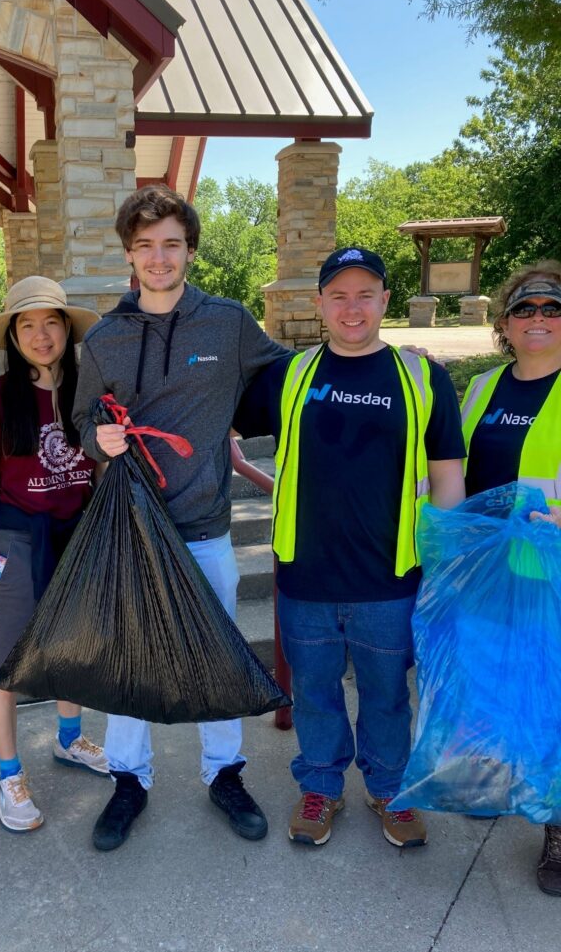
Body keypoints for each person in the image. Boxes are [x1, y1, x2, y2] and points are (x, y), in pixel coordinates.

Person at [72, 184, 291, 851]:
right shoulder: (105, 337)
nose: (158, 258)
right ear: (130, 255)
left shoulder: (226, 322)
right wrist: (97, 440)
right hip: (132, 532)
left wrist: (382, 367)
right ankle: (128, 782)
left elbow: (289, 377)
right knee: (128, 661)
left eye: (171, 244)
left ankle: (225, 774)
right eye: (145, 247)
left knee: (216, 657)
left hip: (204, 530)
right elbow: (83, 421)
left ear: (189, 249)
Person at [234, 246, 466, 849]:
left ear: (386, 301)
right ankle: (321, 785)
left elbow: (446, 474)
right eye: (338, 294)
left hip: (390, 579)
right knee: (313, 691)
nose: (352, 307)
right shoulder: (291, 374)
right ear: (319, 304)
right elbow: (217, 415)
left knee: (388, 695)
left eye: (366, 294)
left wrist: (445, 559)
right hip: (305, 575)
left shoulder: (422, 377)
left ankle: (389, 788)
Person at [0, 277, 108, 834]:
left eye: (50, 321)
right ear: (12, 334)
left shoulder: (88, 393)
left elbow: (100, 468)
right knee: (7, 661)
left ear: (66, 328)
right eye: (26, 324)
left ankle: (70, 740)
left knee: (74, 646)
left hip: (77, 534)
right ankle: (7, 773)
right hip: (17, 540)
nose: (40, 334)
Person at [459, 260, 561, 895]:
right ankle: (503, 780)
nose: (540, 319)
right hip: (488, 569)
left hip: (550, 572)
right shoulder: (483, 389)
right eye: (525, 309)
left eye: (553, 308)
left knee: (551, 698)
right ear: (504, 323)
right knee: (496, 683)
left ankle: (556, 826)